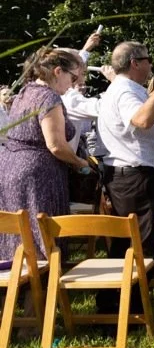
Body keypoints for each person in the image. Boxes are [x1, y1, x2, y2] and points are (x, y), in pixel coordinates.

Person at [0, 48, 89, 259]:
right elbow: (56, 145)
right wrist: (80, 162)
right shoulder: (49, 98)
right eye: (73, 77)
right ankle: (41, 285)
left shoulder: (25, 91)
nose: (74, 83)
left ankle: (18, 283)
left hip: (10, 168)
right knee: (40, 228)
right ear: (58, 72)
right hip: (36, 175)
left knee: (17, 230)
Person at [97, 42, 154, 262]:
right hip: (136, 178)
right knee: (146, 246)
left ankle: (117, 296)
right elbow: (142, 119)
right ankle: (133, 296)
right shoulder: (124, 91)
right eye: (148, 60)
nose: (151, 65)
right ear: (135, 63)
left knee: (127, 243)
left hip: (130, 177)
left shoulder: (121, 88)